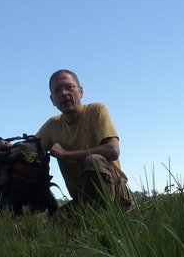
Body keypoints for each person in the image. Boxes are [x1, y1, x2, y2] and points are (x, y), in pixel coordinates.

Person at [36, 69, 135, 209]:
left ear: (81, 91)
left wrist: (65, 155)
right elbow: (30, 149)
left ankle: (103, 223)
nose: (64, 93)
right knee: (51, 225)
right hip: (82, 199)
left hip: (117, 195)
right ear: (52, 99)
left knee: (94, 160)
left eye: (69, 87)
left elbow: (112, 150)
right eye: (57, 90)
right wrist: (5, 147)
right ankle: (91, 219)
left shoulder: (96, 110)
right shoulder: (53, 125)